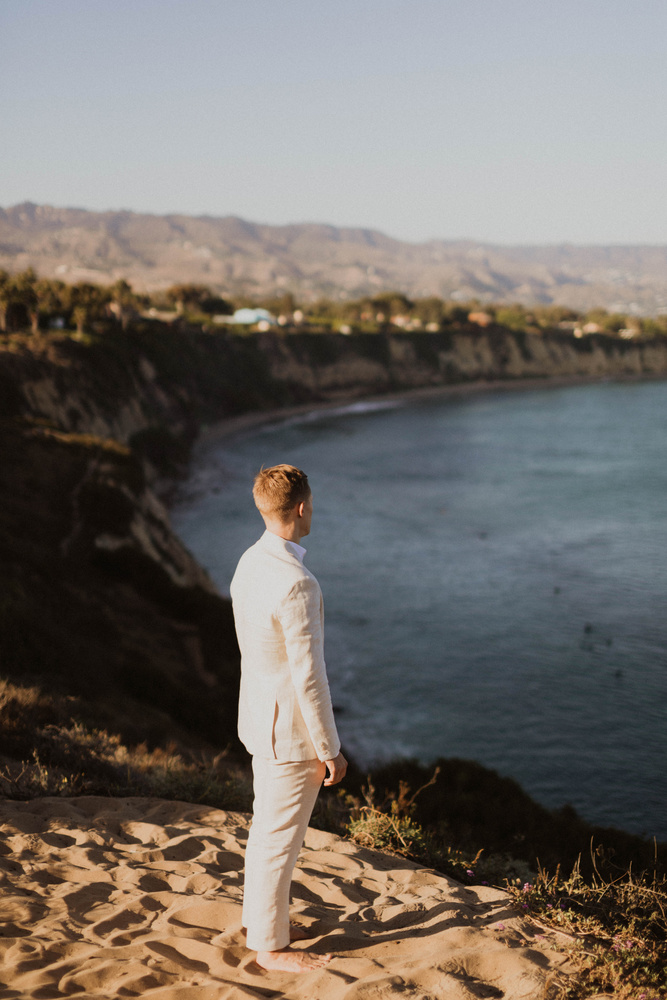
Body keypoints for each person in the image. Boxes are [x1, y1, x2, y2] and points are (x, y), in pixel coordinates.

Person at [230, 464, 348, 973]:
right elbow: (310, 679)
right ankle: (271, 949)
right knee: (280, 841)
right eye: (312, 501)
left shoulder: (250, 561)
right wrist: (331, 749)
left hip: (259, 721)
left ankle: (265, 924)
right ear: (301, 507)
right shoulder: (299, 583)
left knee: (267, 832)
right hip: (292, 736)